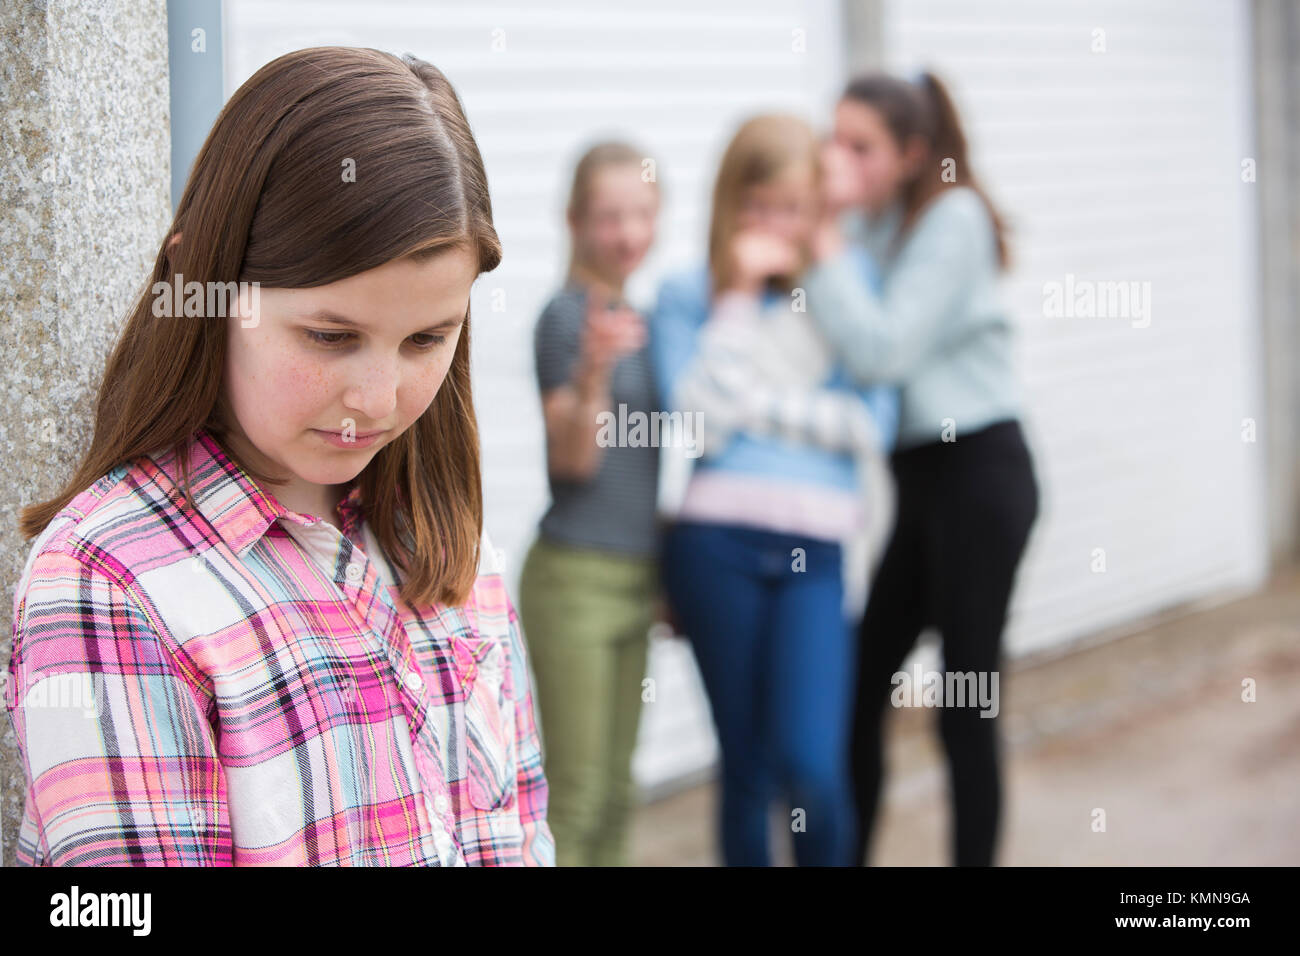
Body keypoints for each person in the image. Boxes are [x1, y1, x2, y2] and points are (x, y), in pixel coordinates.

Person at [5, 47, 554, 867]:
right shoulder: (109, 583)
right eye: (329, 336)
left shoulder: (445, 538)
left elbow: (525, 835)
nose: (376, 396)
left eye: (426, 338)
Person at [804, 70, 1041, 866]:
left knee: (964, 708)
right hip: (915, 484)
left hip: (979, 476)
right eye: (832, 139)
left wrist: (824, 240)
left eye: (859, 146)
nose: (840, 159)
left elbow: (882, 349)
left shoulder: (954, 217)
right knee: (860, 691)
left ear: (911, 154)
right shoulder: (873, 226)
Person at [650, 114, 898, 866]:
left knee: (812, 769)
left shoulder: (846, 288)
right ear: (732, 204)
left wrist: (756, 407)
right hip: (713, 548)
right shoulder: (688, 293)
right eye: (759, 206)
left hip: (816, 553)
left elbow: (871, 422)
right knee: (748, 771)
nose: (774, 225)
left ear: (818, 208)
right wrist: (737, 293)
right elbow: (697, 422)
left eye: (793, 207)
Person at [518, 141, 663, 866]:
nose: (626, 232)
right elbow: (573, 461)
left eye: (640, 213)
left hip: (636, 578)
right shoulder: (564, 319)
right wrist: (595, 368)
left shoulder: (645, 316)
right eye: (609, 216)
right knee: (573, 799)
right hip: (573, 580)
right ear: (575, 220)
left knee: (615, 792)